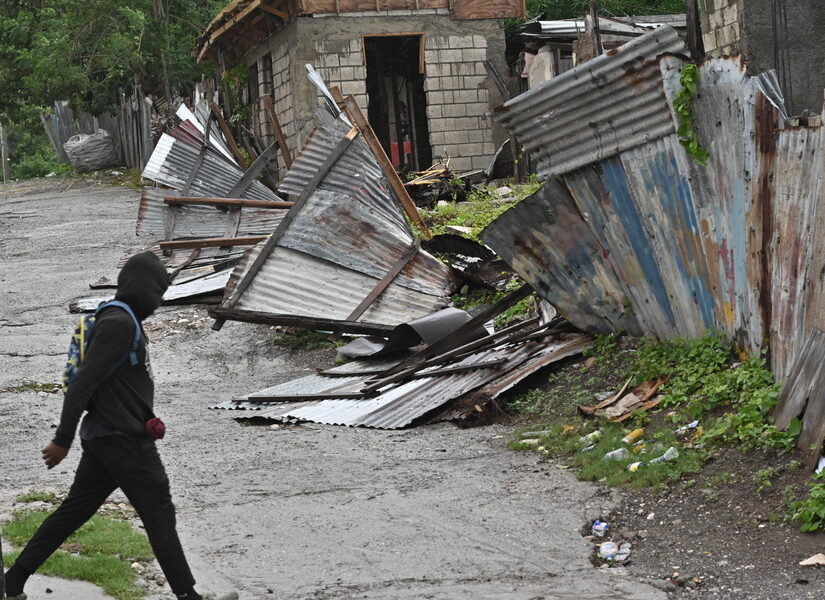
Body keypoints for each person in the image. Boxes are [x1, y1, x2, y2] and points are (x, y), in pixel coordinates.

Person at [4, 252, 236, 600]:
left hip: (107, 438)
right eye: (157, 292)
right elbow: (82, 384)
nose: (158, 302)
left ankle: (12, 583)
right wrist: (62, 440)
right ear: (140, 287)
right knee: (159, 513)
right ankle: (189, 597)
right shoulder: (119, 324)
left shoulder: (121, 319)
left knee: (74, 512)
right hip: (124, 442)